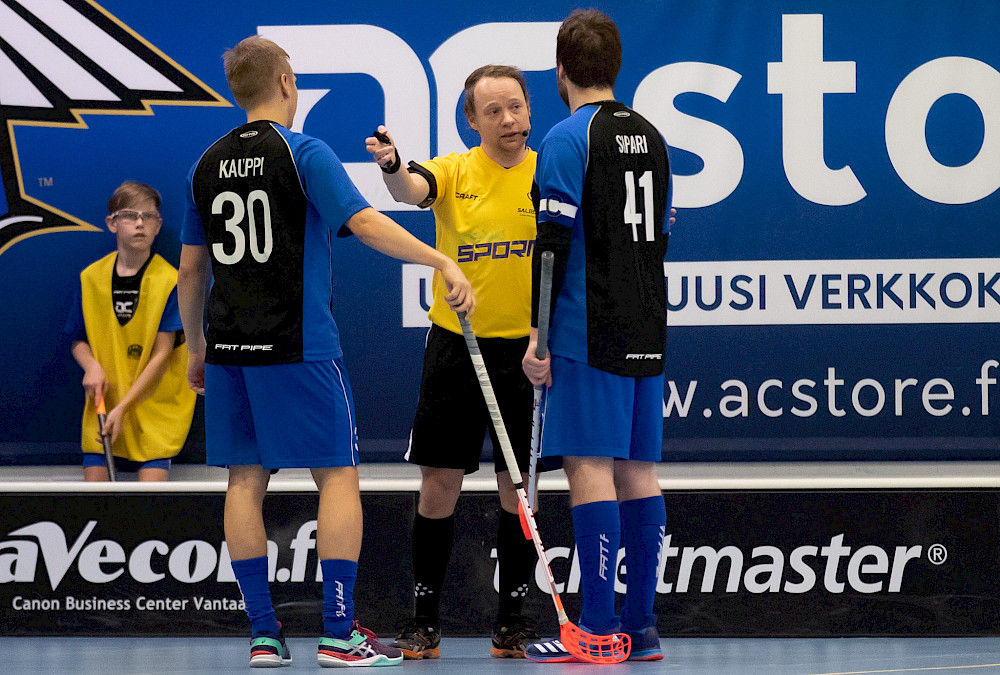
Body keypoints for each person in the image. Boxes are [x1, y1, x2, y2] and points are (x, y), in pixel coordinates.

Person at [176, 36, 474, 669]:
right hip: (300, 344)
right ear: (287, 82)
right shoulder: (303, 151)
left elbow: (190, 270)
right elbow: (364, 223)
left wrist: (196, 345)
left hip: (230, 348)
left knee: (243, 481)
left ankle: (264, 635)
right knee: (336, 474)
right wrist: (439, 259)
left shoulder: (205, 163)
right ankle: (339, 632)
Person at [365, 64, 540, 659]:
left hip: (527, 355)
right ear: (472, 121)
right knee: (439, 483)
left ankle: (512, 622)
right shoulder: (455, 170)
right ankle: (424, 621)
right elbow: (409, 189)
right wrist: (393, 164)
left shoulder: (549, 173)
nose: (508, 119)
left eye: (515, 106)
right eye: (493, 111)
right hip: (456, 347)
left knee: (518, 489)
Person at [520, 9, 672, 663]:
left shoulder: (567, 138)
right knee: (638, 470)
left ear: (561, 71)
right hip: (647, 322)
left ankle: (599, 627)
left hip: (589, 324)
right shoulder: (652, 135)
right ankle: (642, 628)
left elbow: (551, 244)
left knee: (589, 467)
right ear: (615, 65)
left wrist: (538, 333)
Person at [66, 180, 195, 482]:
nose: (140, 223)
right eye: (129, 215)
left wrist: (123, 408)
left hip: (152, 413)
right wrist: (91, 366)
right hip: (104, 404)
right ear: (112, 223)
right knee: (94, 495)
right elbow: (77, 337)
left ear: (158, 225)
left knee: (149, 500)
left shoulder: (170, 281)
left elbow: (162, 354)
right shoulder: (90, 278)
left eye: (148, 216)